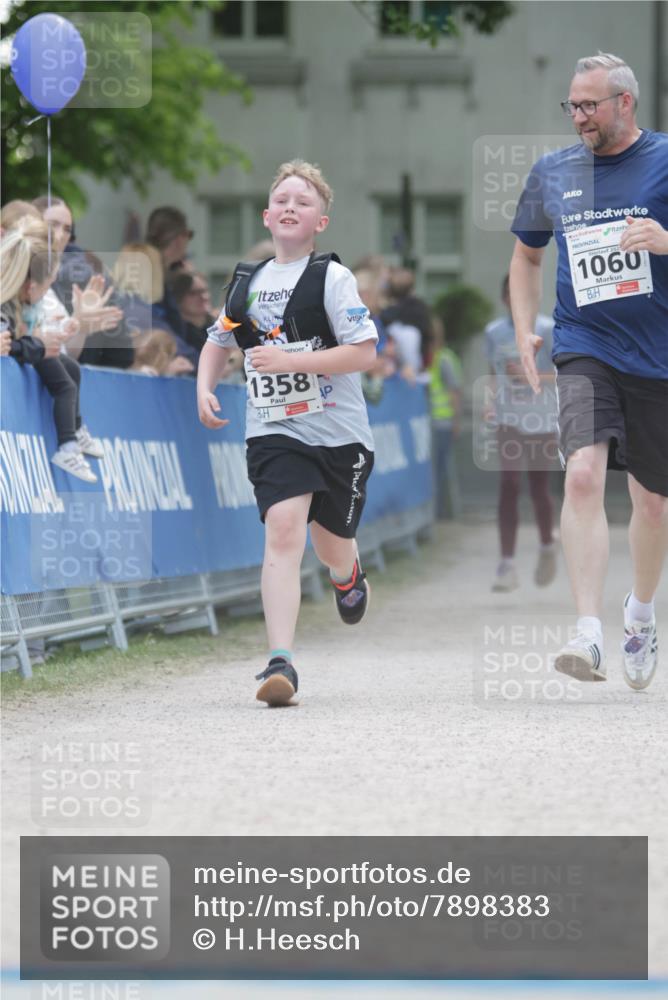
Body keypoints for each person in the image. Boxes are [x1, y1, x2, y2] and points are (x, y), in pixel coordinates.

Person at [510, 52, 668, 690]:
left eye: (589, 105)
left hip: (657, 355)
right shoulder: (553, 172)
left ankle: (639, 614)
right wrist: (525, 326)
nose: (578, 117)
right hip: (584, 343)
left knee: (653, 502)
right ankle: (587, 632)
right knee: (581, 476)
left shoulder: (663, 159)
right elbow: (524, 258)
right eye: (571, 106)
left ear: (624, 103)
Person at [197, 159, 378, 707]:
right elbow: (217, 341)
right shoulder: (246, 283)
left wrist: (294, 362)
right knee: (282, 526)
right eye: (282, 200)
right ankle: (280, 663)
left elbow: (365, 352)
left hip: (339, 433)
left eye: (303, 201)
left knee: (330, 543)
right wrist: (204, 386)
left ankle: (347, 576)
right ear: (267, 215)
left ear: (320, 221)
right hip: (274, 428)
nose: (291, 206)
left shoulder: (332, 277)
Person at [1, 218, 103, 482]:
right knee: (64, 383)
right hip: (33, 351)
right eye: (48, 287)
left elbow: (24, 341)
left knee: (70, 369)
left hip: (39, 348)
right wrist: (38, 343)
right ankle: (68, 443)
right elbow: (14, 344)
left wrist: (53, 336)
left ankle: (77, 428)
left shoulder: (20, 305)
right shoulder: (8, 309)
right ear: (30, 286)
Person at [485, 274, 557, 589]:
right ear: (504, 299)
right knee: (509, 483)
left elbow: (562, 374)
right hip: (508, 418)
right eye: (511, 296)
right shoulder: (494, 332)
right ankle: (507, 564)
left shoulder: (548, 329)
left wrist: (531, 375)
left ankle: (546, 546)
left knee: (539, 487)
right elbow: (493, 372)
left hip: (542, 419)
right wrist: (490, 401)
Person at [33, 196, 131, 368]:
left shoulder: (82, 279)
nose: (60, 235)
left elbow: (66, 355)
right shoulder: (15, 271)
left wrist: (81, 327)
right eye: (52, 225)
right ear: (31, 223)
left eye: (67, 229)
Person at [429, 315, 462, 521]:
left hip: (442, 424)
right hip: (431, 423)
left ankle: (439, 512)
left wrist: (456, 422)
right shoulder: (429, 358)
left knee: (439, 470)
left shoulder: (444, 359)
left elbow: (454, 392)